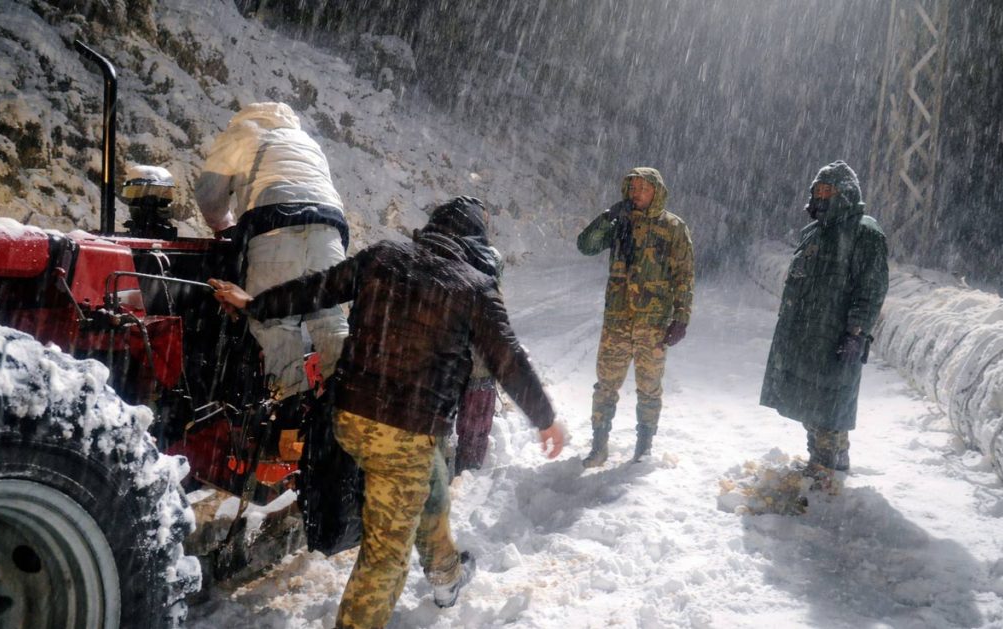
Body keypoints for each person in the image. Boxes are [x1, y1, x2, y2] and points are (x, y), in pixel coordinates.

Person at [209, 196, 564, 629]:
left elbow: (317, 288)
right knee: (385, 559)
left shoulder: (384, 257)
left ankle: (446, 573)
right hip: (403, 432)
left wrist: (255, 304)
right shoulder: (475, 289)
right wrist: (545, 418)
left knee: (431, 484)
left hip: (351, 416)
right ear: (475, 242)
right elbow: (509, 361)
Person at [194, 101, 349, 404]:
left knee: (275, 319)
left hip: (275, 229)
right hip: (328, 232)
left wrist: (225, 227)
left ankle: (289, 408)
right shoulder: (305, 141)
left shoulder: (241, 132)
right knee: (327, 314)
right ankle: (348, 400)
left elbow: (210, 198)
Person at [760, 160, 889, 488]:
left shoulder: (864, 233)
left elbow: (870, 288)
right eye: (817, 190)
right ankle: (834, 457)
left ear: (845, 194)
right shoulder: (814, 232)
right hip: (803, 336)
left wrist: (856, 331)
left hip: (834, 336)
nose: (821, 196)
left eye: (827, 190)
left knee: (829, 403)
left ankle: (823, 473)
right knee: (808, 401)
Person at [577, 167, 694, 467]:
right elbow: (586, 245)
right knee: (605, 386)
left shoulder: (672, 227)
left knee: (649, 388)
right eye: (633, 188)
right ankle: (599, 446)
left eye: (644, 188)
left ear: (657, 191)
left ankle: (644, 448)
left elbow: (684, 276)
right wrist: (607, 217)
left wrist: (681, 317)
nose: (638, 193)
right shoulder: (619, 224)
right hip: (617, 321)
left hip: (652, 325)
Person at [454, 244, 503, 473]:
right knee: (475, 428)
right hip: (479, 376)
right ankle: (468, 467)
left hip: (458, 371)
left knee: (465, 427)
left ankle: (462, 466)